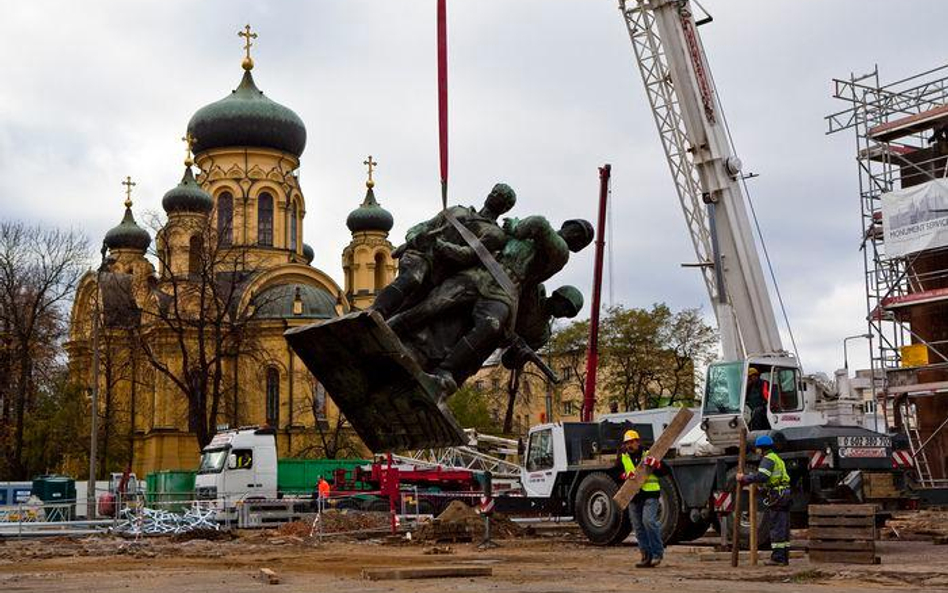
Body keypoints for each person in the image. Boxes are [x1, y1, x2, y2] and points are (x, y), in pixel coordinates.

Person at [737, 435, 791, 566]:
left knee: (777, 526)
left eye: (757, 449)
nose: (757, 451)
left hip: (778, 496)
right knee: (783, 526)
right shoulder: (777, 458)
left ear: (762, 449)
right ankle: (783, 557)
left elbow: (762, 476)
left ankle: (778, 558)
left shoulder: (767, 459)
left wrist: (744, 477)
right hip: (784, 494)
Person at [616, 429, 666, 568]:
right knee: (638, 527)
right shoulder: (623, 456)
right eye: (627, 443)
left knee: (648, 521)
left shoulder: (648, 453)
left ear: (638, 441)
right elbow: (616, 473)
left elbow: (665, 471)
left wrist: (656, 465)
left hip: (650, 494)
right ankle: (646, 556)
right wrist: (624, 476)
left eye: (632, 442)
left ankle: (657, 553)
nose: (630, 445)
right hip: (634, 496)